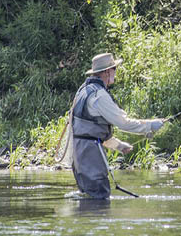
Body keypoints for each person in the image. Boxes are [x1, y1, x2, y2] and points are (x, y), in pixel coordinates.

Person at [68, 52, 164, 199]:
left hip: (78, 155)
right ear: (107, 71)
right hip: (90, 155)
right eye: (114, 69)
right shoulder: (99, 95)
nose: (115, 73)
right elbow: (123, 123)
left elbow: (89, 131)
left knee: (90, 197)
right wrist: (150, 126)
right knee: (99, 197)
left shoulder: (83, 91)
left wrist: (118, 145)